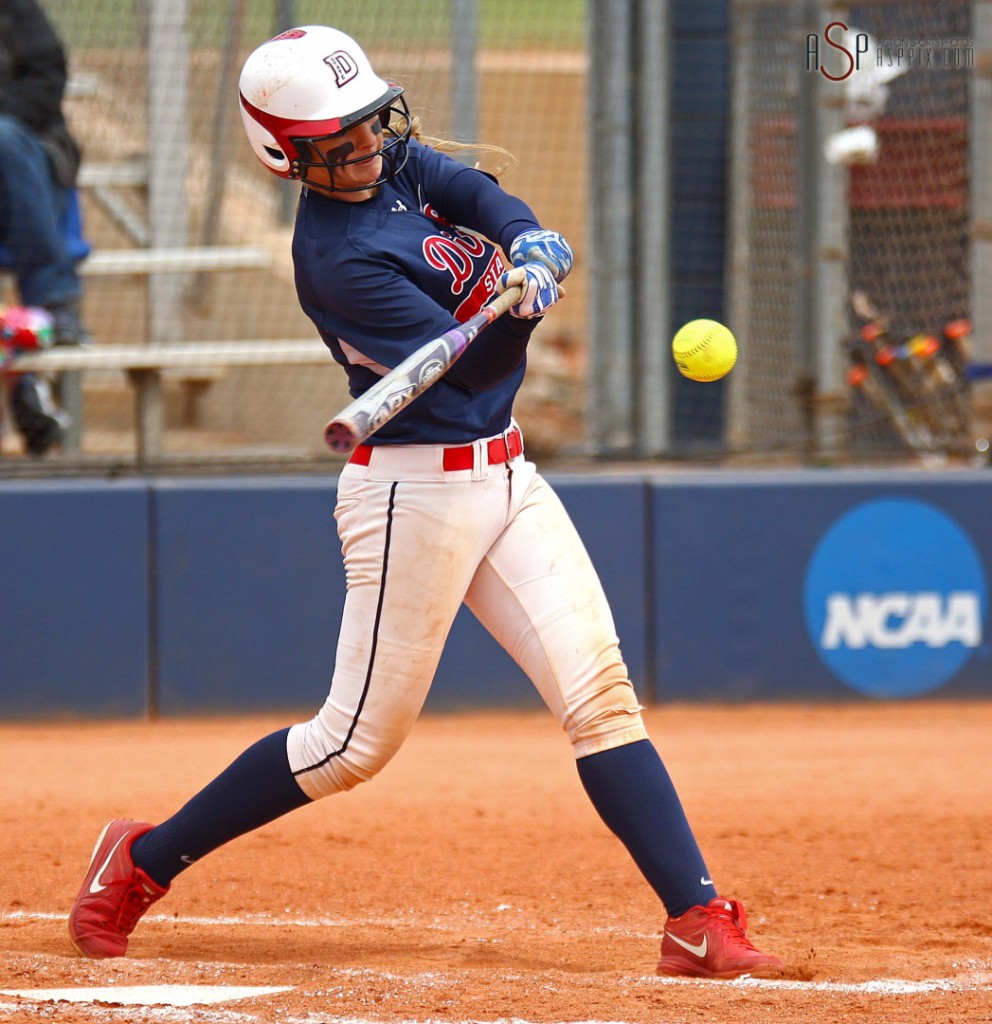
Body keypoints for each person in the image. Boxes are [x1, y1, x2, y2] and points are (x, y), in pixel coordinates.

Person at [67, 25, 783, 980]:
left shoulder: (386, 162)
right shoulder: (338, 261)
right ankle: (143, 861)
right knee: (351, 746)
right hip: (414, 492)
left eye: (369, 123)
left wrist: (523, 235)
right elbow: (460, 376)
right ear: (290, 156)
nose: (368, 145)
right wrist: (518, 312)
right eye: (342, 139)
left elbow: (469, 190)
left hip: (506, 475)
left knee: (600, 697)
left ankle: (695, 918)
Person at [0, 0, 88, 454]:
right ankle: (27, 393)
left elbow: (46, 80)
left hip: (25, 160)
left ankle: (55, 302)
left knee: (3, 140)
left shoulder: (16, 11)